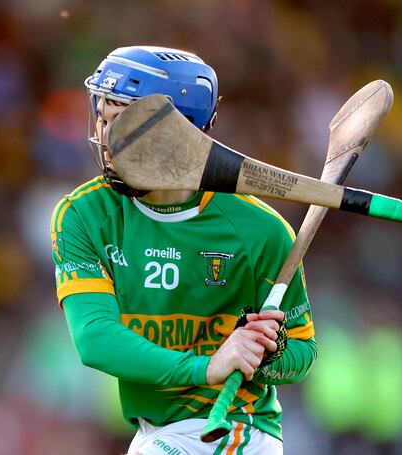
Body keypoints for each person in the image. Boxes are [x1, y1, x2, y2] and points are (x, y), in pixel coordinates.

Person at [51, 46, 316, 454]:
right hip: (154, 433)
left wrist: (266, 355)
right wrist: (207, 366)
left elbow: (302, 350)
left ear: (179, 133)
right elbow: (95, 338)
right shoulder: (84, 214)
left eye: (121, 122)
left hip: (233, 430)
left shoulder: (262, 232)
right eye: (102, 118)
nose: (105, 137)